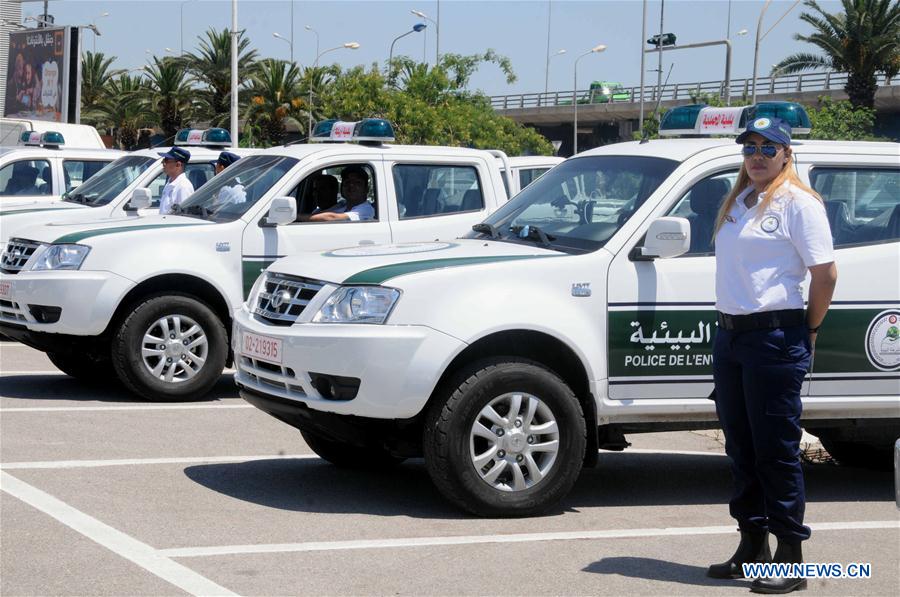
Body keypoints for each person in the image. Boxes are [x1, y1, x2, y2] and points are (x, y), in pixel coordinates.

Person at [707, 117, 837, 594]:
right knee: (741, 448)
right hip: (732, 338)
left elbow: (825, 274)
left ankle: (791, 557)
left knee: (775, 451)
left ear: (787, 154)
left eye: (768, 147)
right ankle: (752, 546)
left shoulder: (799, 205)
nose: (757, 156)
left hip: (774, 338)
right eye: (749, 147)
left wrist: (811, 330)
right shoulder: (739, 201)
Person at [299, 165, 374, 222]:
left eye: (357, 183)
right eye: (347, 182)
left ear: (366, 189)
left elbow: (332, 218)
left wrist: (294, 217)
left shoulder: (366, 209)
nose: (351, 186)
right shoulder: (343, 204)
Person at [157, 147, 194, 214]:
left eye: (166, 161)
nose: (163, 163)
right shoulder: (170, 183)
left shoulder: (183, 186)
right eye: (163, 160)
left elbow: (184, 215)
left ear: (178, 165)